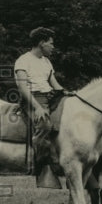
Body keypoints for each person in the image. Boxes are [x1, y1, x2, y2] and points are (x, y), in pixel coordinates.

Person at [14, 27, 72, 189]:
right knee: (45, 124)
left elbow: (55, 85)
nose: (53, 47)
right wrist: (37, 107)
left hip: (49, 96)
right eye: (51, 43)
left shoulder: (46, 61)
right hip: (32, 98)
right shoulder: (23, 60)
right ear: (41, 43)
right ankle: (40, 165)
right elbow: (23, 88)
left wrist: (67, 94)